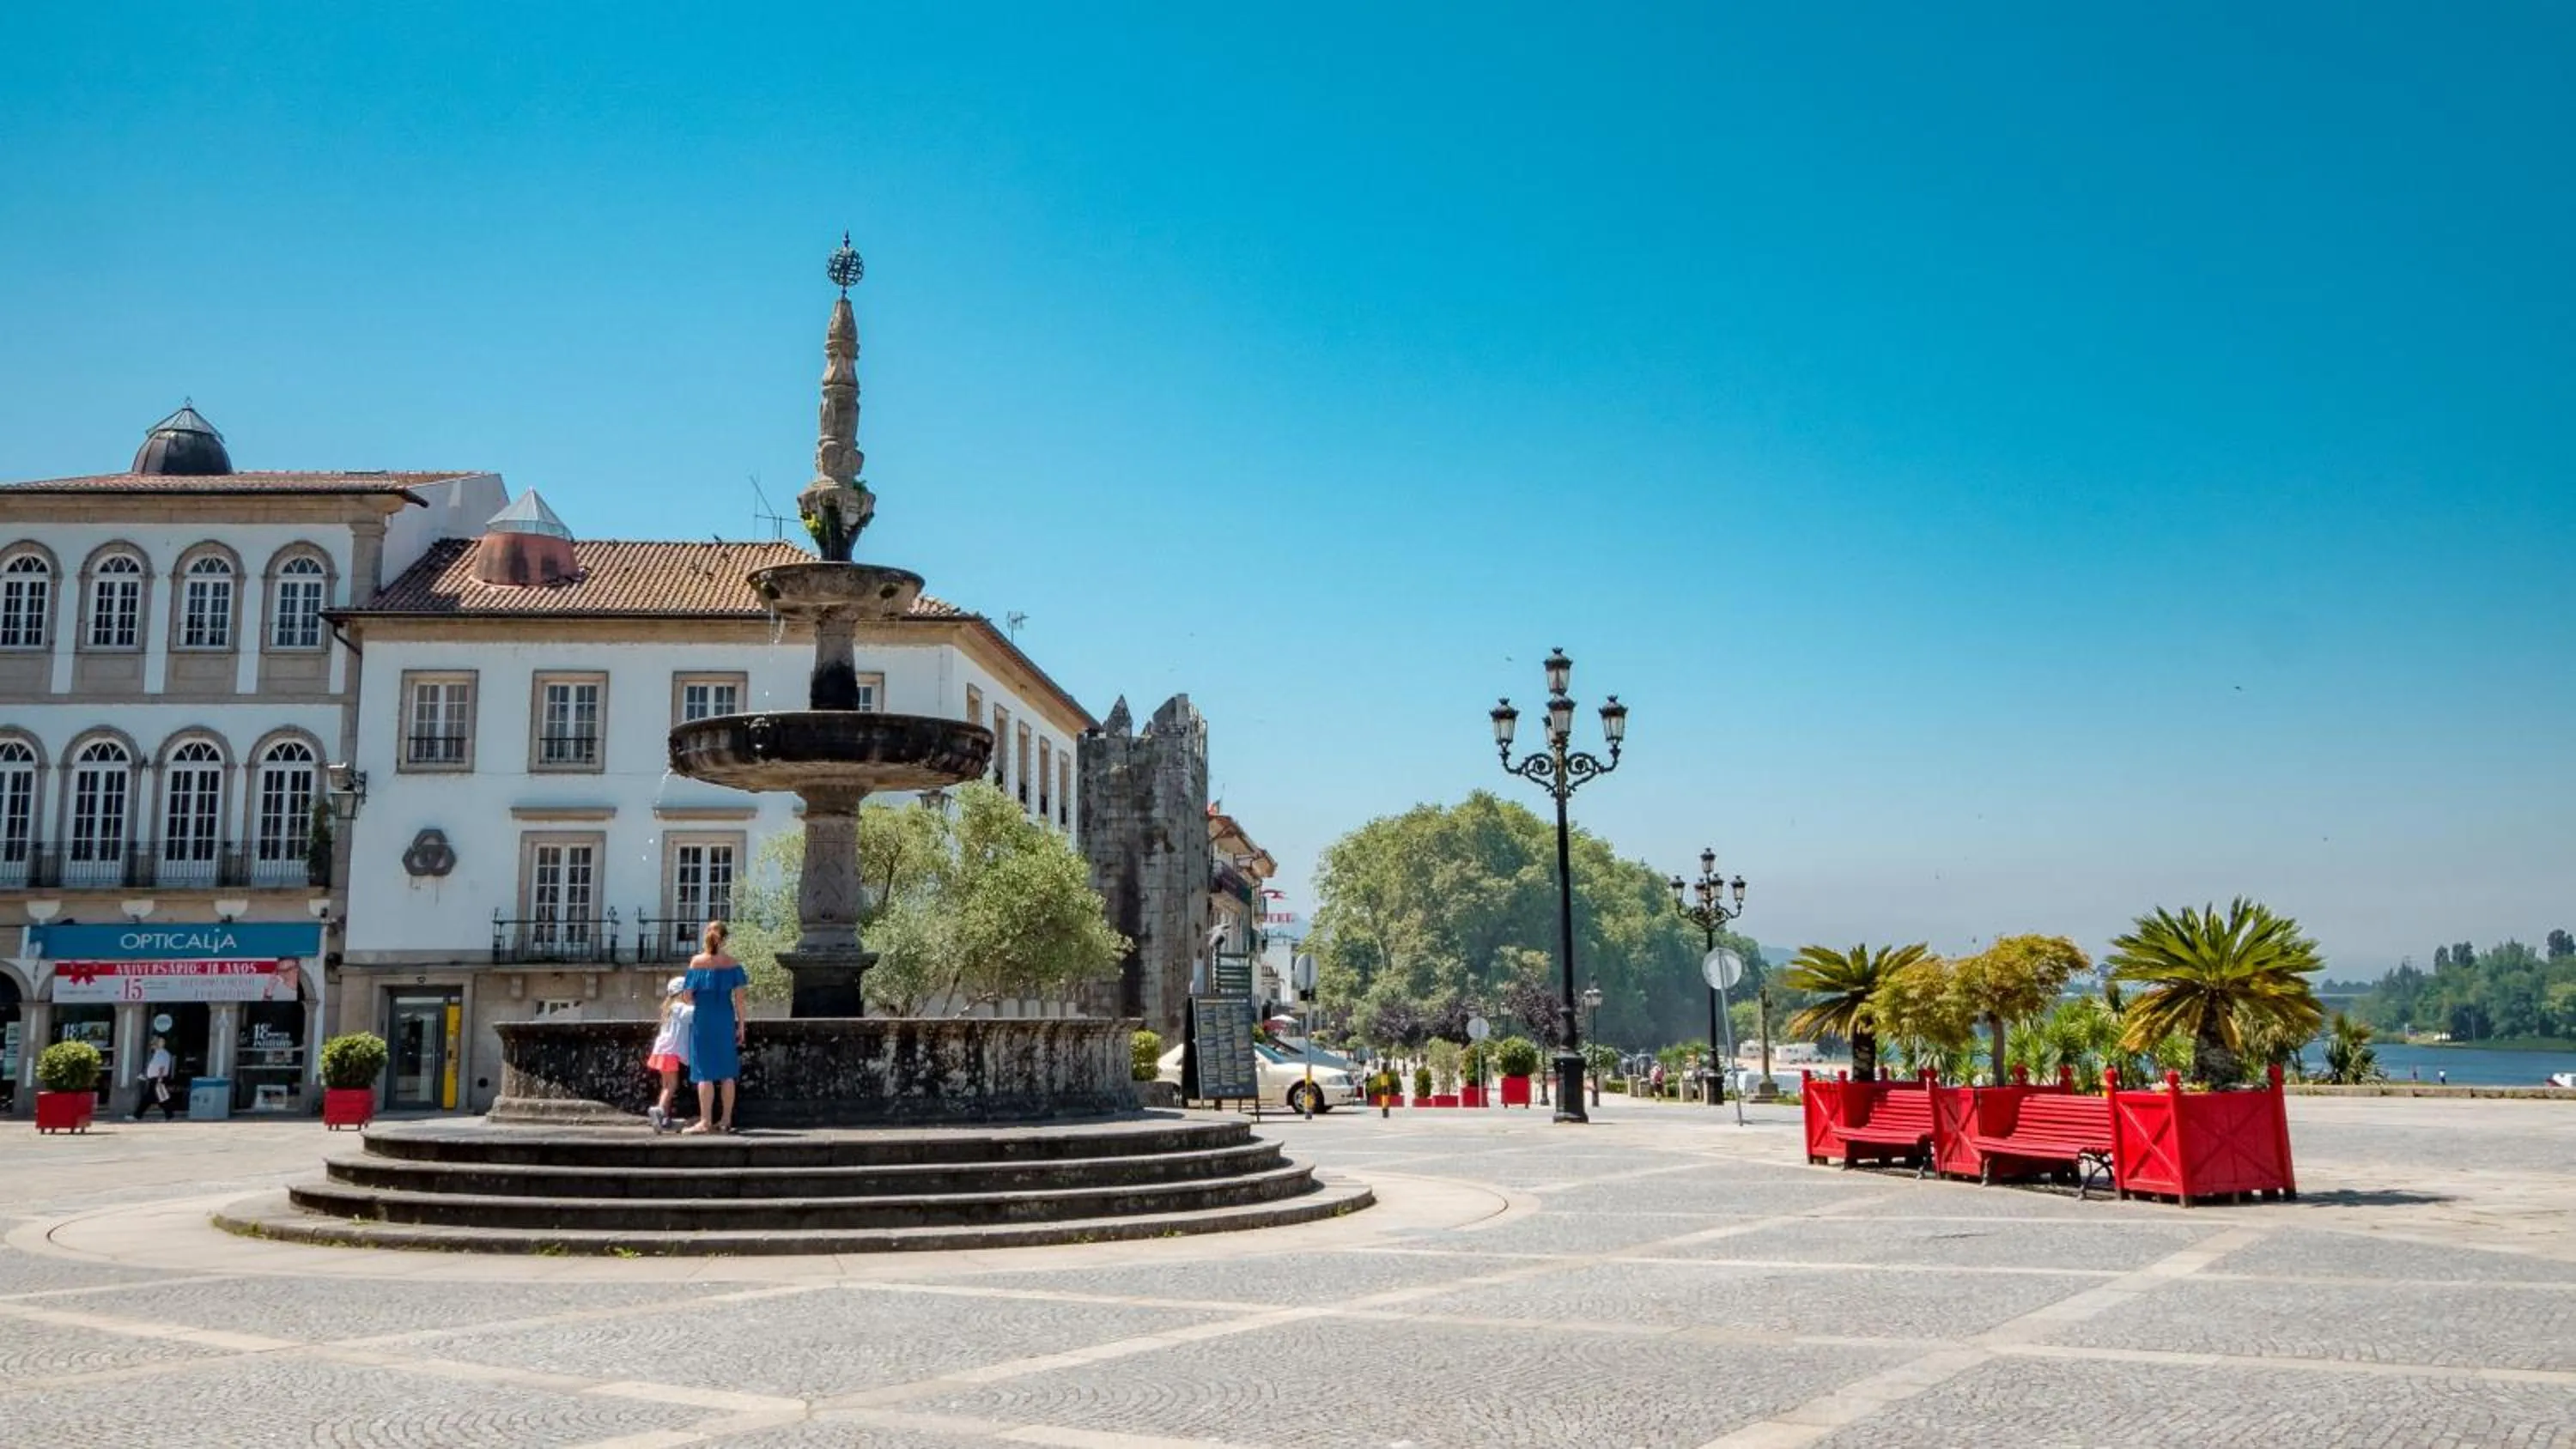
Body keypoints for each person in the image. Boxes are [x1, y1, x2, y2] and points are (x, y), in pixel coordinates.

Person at [679, 920, 749, 1135]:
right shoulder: (733, 964)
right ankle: (726, 1120)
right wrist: (741, 1027)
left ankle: (705, 1121)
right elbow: (740, 1001)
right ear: (725, 939)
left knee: (705, 1072)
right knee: (727, 1071)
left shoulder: (696, 962)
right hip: (725, 1018)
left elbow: (687, 996)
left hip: (704, 1019)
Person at [644, 976, 694, 1133]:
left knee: (666, 1085)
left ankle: (663, 1116)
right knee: (672, 1085)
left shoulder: (669, 1008)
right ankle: (659, 1110)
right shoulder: (680, 1007)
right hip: (670, 1053)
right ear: (682, 992)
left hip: (661, 1052)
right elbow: (694, 1014)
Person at [132, 1035, 177, 1122]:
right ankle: (169, 1115)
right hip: (154, 1079)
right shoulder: (157, 1053)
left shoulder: (162, 1054)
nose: (152, 1046)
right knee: (158, 1098)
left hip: (159, 1079)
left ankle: (137, 1115)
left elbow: (161, 1067)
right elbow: (154, 1067)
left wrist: (159, 1079)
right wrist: (146, 1076)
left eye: (153, 1044)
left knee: (159, 1098)